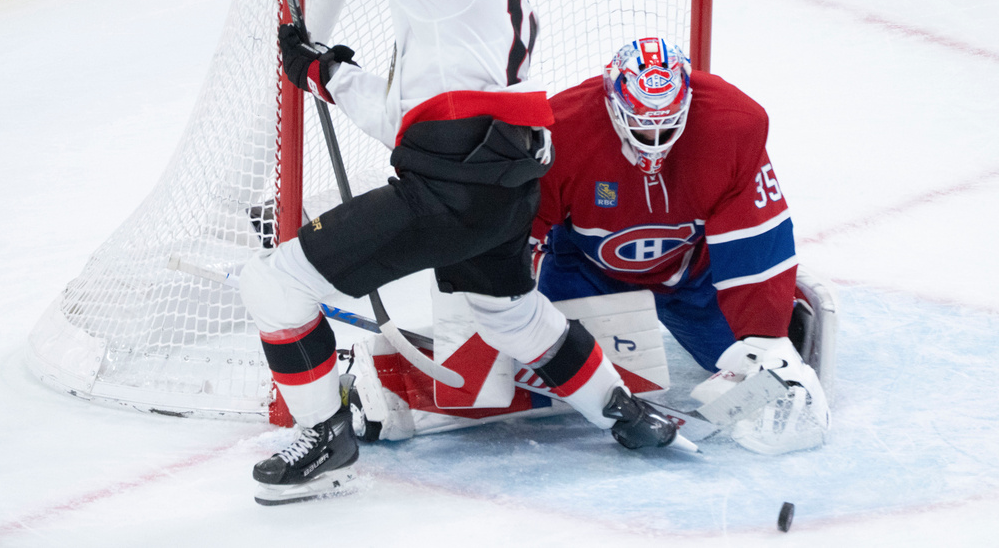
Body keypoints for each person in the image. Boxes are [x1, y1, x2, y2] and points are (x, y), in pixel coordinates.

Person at [222, 0, 686, 506]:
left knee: (274, 283)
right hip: (503, 187)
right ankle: (622, 410)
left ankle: (326, 438)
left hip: (448, 188)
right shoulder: (504, 0)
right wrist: (328, 73)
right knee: (507, 313)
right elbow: (417, 113)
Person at [347, 36, 831, 456]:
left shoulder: (734, 123)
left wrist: (766, 336)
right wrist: (504, 314)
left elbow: (755, 233)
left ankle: (784, 315)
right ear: (613, 102)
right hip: (588, 273)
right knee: (557, 376)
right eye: (642, 125)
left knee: (743, 362)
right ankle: (400, 383)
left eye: (667, 125)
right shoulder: (562, 129)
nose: (655, 141)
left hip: (690, 271)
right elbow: (517, 231)